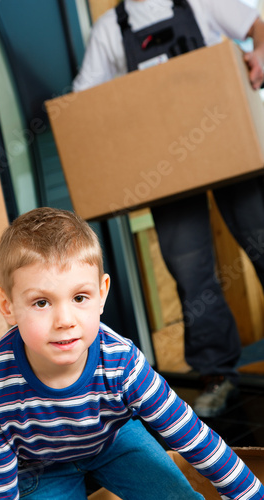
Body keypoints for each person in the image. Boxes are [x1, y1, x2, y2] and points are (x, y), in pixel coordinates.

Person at [0, 206, 264, 500]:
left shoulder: (122, 362)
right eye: (41, 303)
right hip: (41, 466)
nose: (65, 321)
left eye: (79, 297)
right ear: (7, 305)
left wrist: (248, 495)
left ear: (102, 294)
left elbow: (191, 434)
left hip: (114, 442)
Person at [72, 0, 264, 418]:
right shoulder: (110, 29)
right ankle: (217, 374)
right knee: (191, 273)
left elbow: (257, 26)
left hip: (231, 145)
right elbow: (81, 102)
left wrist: (259, 54)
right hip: (167, 169)